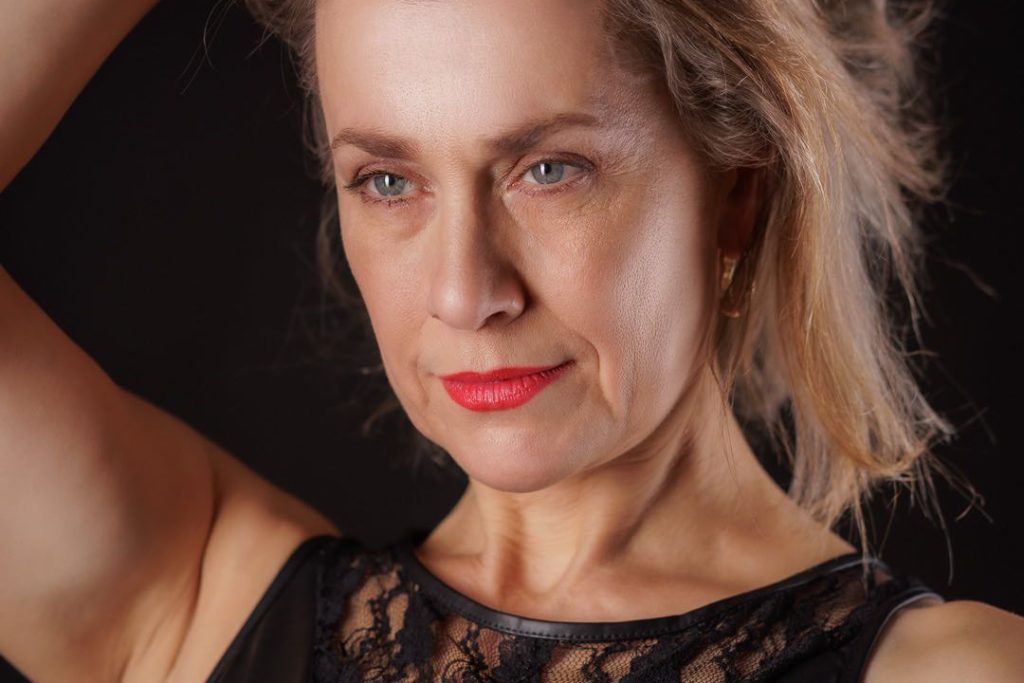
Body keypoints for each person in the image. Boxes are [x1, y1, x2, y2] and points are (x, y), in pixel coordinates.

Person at [1, 0, 1022, 681]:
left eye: (549, 170)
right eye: (388, 181)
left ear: (735, 195)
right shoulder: (189, 610)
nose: (464, 292)